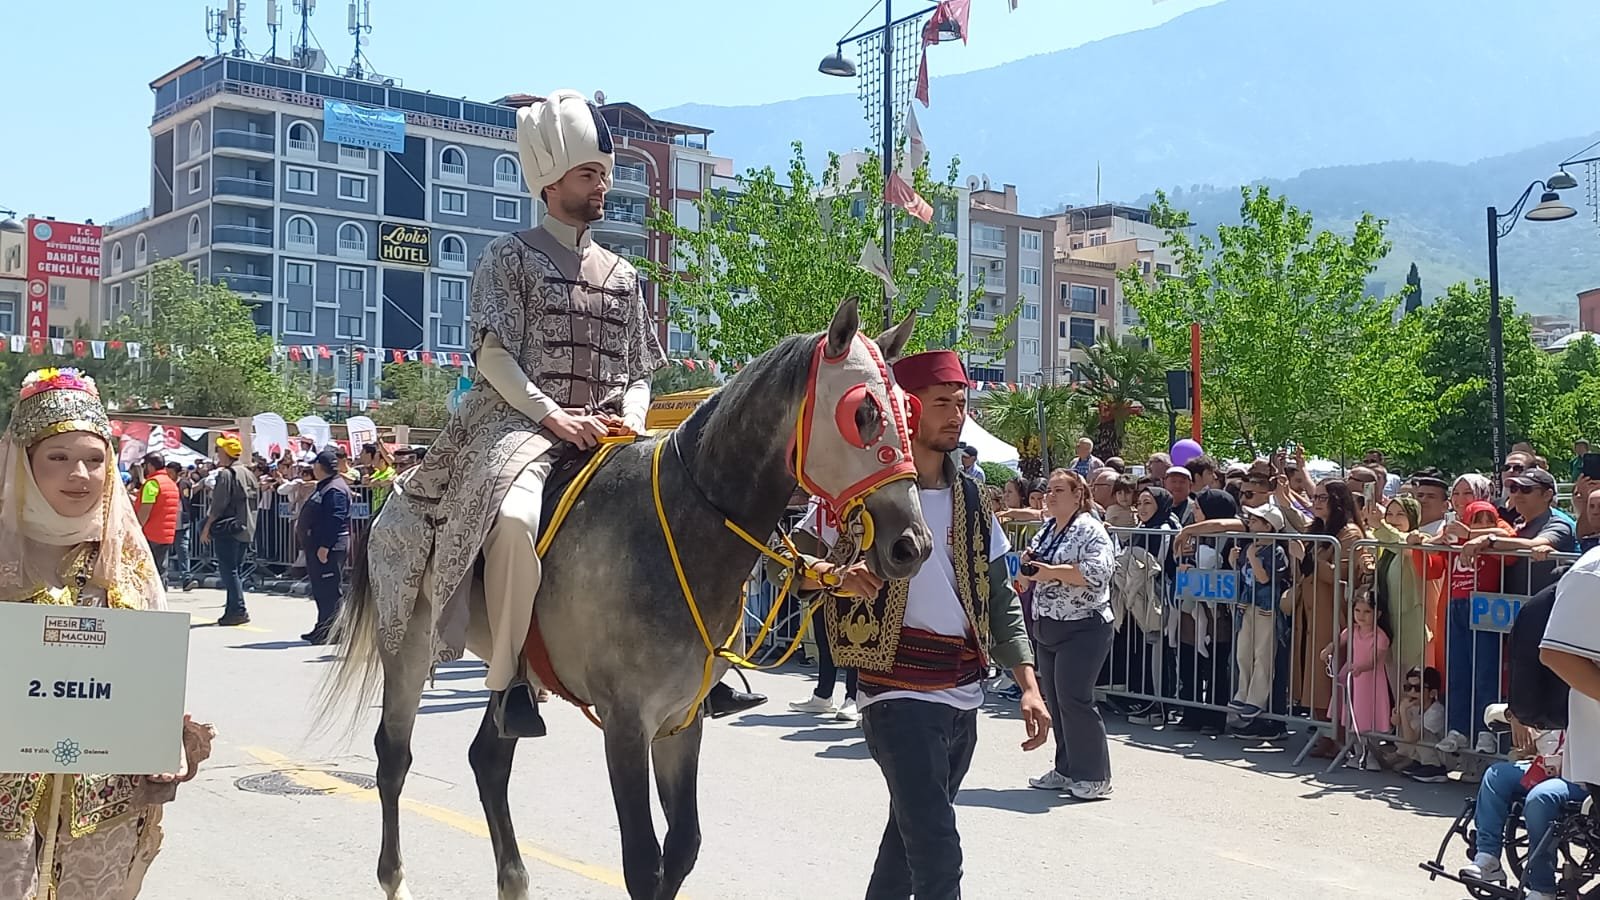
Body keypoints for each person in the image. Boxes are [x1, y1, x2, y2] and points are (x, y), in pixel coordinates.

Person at [794, 350, 1048, 898]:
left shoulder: (975, 499)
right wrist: (836, 577)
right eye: (942, 404)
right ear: (907, 411)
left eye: (961, 403)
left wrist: (1028, 684)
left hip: (962, 693)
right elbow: (786, 564)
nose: (957, 414)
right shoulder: (856, 493)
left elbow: (999, 593)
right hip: (894, 692)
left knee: (905, 849)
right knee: (937, 850)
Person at [0, 368, 215, 899]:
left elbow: (151, 671)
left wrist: (162, 741)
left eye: (96, 460)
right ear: (25, 464)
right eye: (58, 458)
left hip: (103, 803)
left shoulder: (126, 560)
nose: (80, 474)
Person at [1019, 469, 1117, 799]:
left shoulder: (1091, 530)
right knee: (1058, 702)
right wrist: (1027, 564)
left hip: (1084, 625)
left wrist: (1050, 573)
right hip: (1048, 624)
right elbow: (1033, 561)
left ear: (1079, 495)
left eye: (1059, 490)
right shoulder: (1047, 529)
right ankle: (1066, 769)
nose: (1051, 495)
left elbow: (1098, 573)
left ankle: (1095, 776)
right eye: (1049, 490)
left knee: (1076, 698)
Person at [1458, 723, 1585, 900]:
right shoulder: (1560, 698)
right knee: (1495, 776)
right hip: (1549, 764)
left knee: (1540, 797)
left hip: (1583, 776)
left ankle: (1542, 888)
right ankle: (1488, 858)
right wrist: (1516, 718)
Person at [1229, 504, 1291, 720]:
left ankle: (1256, 699)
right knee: (1243, 651)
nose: (1250, 524)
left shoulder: (1276, 551)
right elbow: (1244, 577)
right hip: (1247, 604)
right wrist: (1234, 561)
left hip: (1266, 606)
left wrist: (1253, 559)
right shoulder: (1250, 548)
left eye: (1256, 520)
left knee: (1262, 653)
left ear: (1269, 525)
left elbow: (1265, 578)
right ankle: (1242, 693)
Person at [1320, 590, 1392, 768]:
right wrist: (1329, 649)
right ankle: (1358, 753)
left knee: (1371, 717)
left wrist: (1361, 667)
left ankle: (1372, 755)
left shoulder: (1381, 637)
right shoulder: (1352, 630)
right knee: (1353, 717)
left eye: (1367, 612)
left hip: (1372, 682)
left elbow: (1375, 660)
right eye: (1357, 611)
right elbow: (1339, 641)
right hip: (1354, 680)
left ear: (1378, 613)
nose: (1361, 616)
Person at [202, 433, 258, 626]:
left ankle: (238, 609)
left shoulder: (226, 474)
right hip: (245, 527)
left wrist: (207, 527)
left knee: (229, 570)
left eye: (220, 450)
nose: (218, 453)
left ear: (226, 453)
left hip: (229, 529)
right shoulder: (248, 473)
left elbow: (218, 504)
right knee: (236, 570)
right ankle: (232, 609)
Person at [298, 449, 352, 645]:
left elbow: (335, 519)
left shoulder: (335, 489)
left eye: (315, 464)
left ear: (320, 467)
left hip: (330, 546)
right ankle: (323, 627)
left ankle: (333, 631)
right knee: (321, 590)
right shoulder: (326, 486)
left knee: (329, 590)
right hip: (320, 546)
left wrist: (325, 546)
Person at [136, 451, 180, 576]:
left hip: (150, 532)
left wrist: (136, 528)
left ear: (150, 465)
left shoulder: (152, 484)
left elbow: (146, 509)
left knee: (147, 572)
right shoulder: (170, 483)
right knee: (161, 571)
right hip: (166, 534)